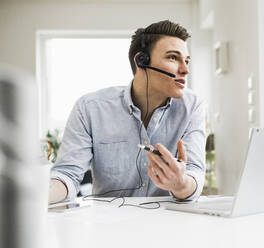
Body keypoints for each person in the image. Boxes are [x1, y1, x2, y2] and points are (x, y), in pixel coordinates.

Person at [49, 20, 206, 204]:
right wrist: (38, 196)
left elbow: (194, 172)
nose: (185, 70)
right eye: (173, 57)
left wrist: (181, 184)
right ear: (141, 61)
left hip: (169, 225)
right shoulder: (90, 108)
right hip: (109, 226)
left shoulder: (192, 107)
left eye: (186, 61)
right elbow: (67, 175)